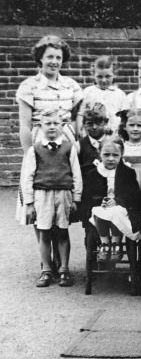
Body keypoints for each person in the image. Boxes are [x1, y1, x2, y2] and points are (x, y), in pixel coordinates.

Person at [19, 108, 82, 287]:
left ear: (62, 126)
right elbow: (28, 177)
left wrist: (76, 199)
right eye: (48, 124)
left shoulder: (69, 148)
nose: (52, 127)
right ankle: (46, 269)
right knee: (44, 233)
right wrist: (29, 203)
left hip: (63, 195)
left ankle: (64, 269)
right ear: (40, 127)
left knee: (62, 232)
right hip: (42, 195)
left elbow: (76, 175)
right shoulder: (35, 150)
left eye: (56, 123)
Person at [81, 136, 141, 263]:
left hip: (123, 210)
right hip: (100, 210)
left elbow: (134, 195)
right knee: (99, 211)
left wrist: (118, 201)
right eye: (106, 154)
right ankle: (105, 243)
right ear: (99, 154)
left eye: (115, 155)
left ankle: (116, 242)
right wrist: (100, 201)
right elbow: (88, 195)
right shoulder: (93, 173)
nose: (110, 158)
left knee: (115, 211)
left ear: (122, 155)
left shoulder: (128, 172)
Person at [17, 35, 83, 151]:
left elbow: (76, 120)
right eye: (50, 57)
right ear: (40, 58)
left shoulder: (72, 85)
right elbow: (25, 127)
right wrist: (28, 154)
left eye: (58, 58)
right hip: (41, 145)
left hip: (68, 145)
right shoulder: (28, 87)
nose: (54, 62)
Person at [78, 56, 126, 134]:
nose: (104, 80)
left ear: (114, 74)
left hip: (114, 134)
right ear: (93, 75)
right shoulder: (88, 92)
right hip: (93, 132)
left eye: (108, 76)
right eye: (99, 77)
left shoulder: (120, 94)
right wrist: (80, 131)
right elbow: (81, 114)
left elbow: (124, 117)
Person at [75, 102, 110, 175]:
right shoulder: (78, 146)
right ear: (84, 124)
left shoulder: (112, 143)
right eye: (90, 124)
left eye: (98, 123)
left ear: (106, 122)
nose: (94, 127)